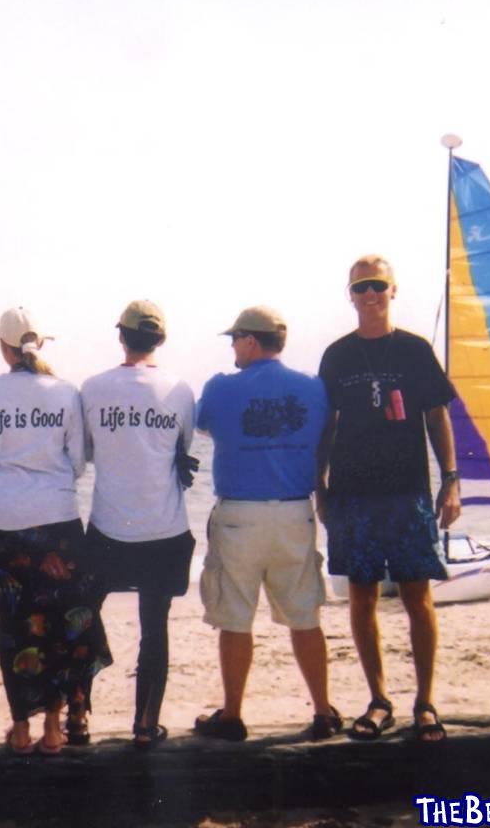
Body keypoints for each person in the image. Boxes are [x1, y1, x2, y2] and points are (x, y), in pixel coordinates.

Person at [315, 254, 460, 744]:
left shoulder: (416, 351)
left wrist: (452, 480)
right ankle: (379, 699)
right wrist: (321, 487)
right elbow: (325, 427)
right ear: (350, 295)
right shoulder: (336, 356)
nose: (370, 294)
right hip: (353, 495)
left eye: (378, 285)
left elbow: (438, 418)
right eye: (361, 288)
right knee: (362, 599)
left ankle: (425, 702)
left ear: (393, 290)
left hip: (408, 493)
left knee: (418, 598)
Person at [192, 305, 340, 742]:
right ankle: (322, 710)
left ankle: (233, 714)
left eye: (235, 339)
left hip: (240, 513)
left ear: (250, 341)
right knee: (303, 617)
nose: (233, 348)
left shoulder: (221, 388)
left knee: (235, 617)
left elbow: (202, 427)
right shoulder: (313, 389)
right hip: (295, 511)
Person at [0, 307, 112, 755]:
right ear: (39, 344)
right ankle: (55, 723)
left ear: (3, 346)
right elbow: (77, 461)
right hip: (58, 516)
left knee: (15, 624)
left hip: (5, 519)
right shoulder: (65, 391)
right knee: (60, 622)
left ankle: (21, 727)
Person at [79, 300, 197, 749]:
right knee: (155, 627)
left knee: (85, 617)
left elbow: (87, 452)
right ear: (160, 340)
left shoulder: (93, 387)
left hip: (108, 527)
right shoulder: (180, 389)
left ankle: (79, 717)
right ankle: (146, 724)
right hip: (163, 528)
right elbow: (182, 448)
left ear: (120, 336)